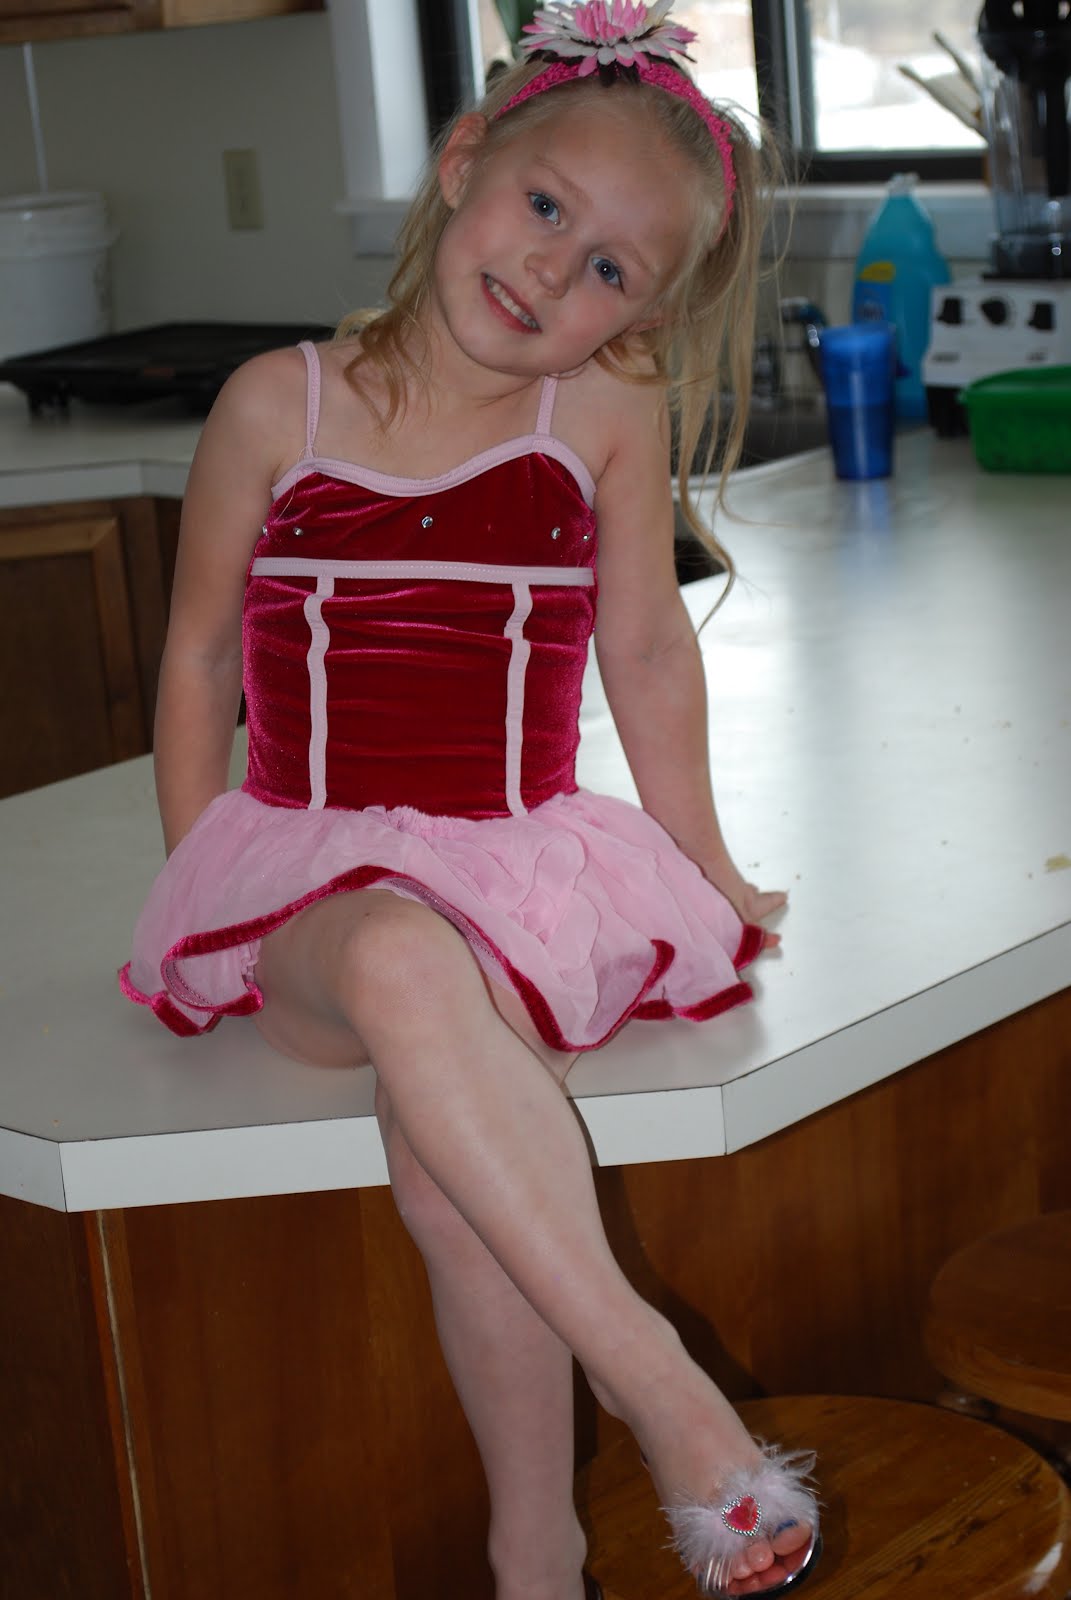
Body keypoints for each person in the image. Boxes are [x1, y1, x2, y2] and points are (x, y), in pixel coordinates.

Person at [121, 3, 821, 1595]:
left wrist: (705, 864)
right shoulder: (276, 404)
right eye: (544, 206)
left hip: (516, 877)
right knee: (387, 950)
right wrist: (200, 888)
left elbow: (645, 650)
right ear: (460, 165)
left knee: (443, 1153)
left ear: (645, 313)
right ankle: (664, 1394)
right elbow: (200, 659)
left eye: (610, 269)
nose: (553, 273)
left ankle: (535, 1555)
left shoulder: (603, 413)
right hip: (301, 887)